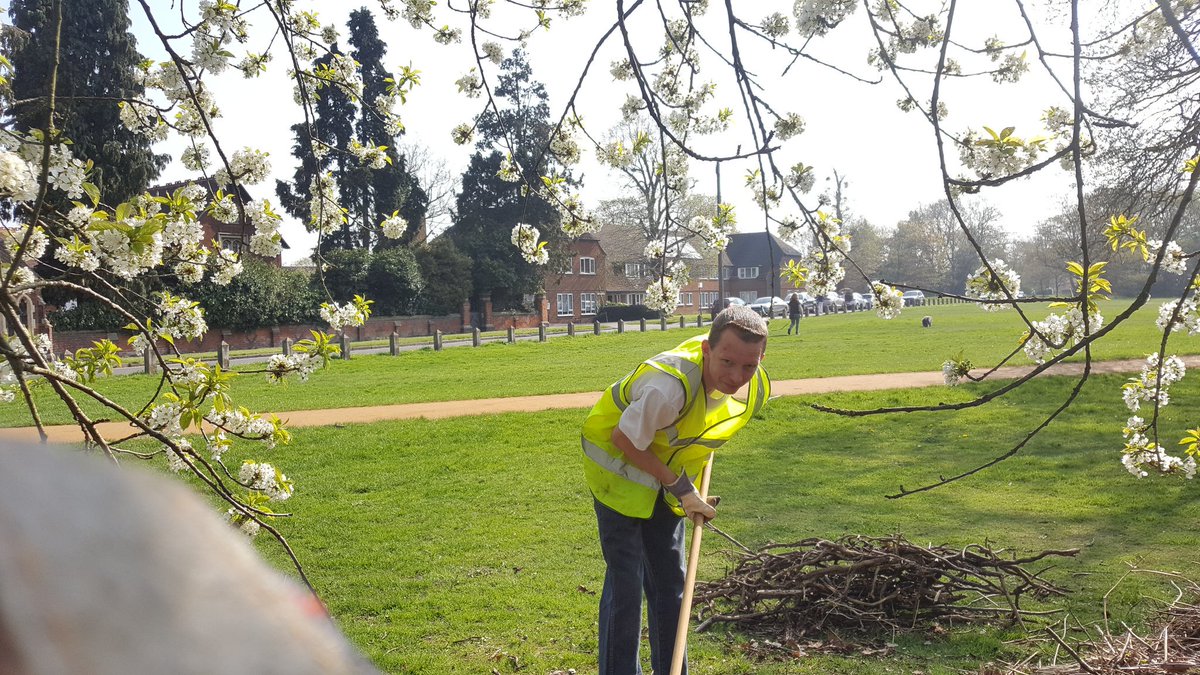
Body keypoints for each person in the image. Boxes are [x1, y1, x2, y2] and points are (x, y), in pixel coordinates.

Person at [581, 305, 771, 675]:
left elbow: (701, 434)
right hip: (617, 472)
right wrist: (682, 488)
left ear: (761, 358)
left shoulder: (753, 388)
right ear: (706, 349)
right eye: (727, 362)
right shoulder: (667, 387)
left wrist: (688, 488)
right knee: (626, 581)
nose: (737, 376)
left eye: (749, 366)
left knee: (671, 581)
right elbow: (625, 439)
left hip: (667, 481)